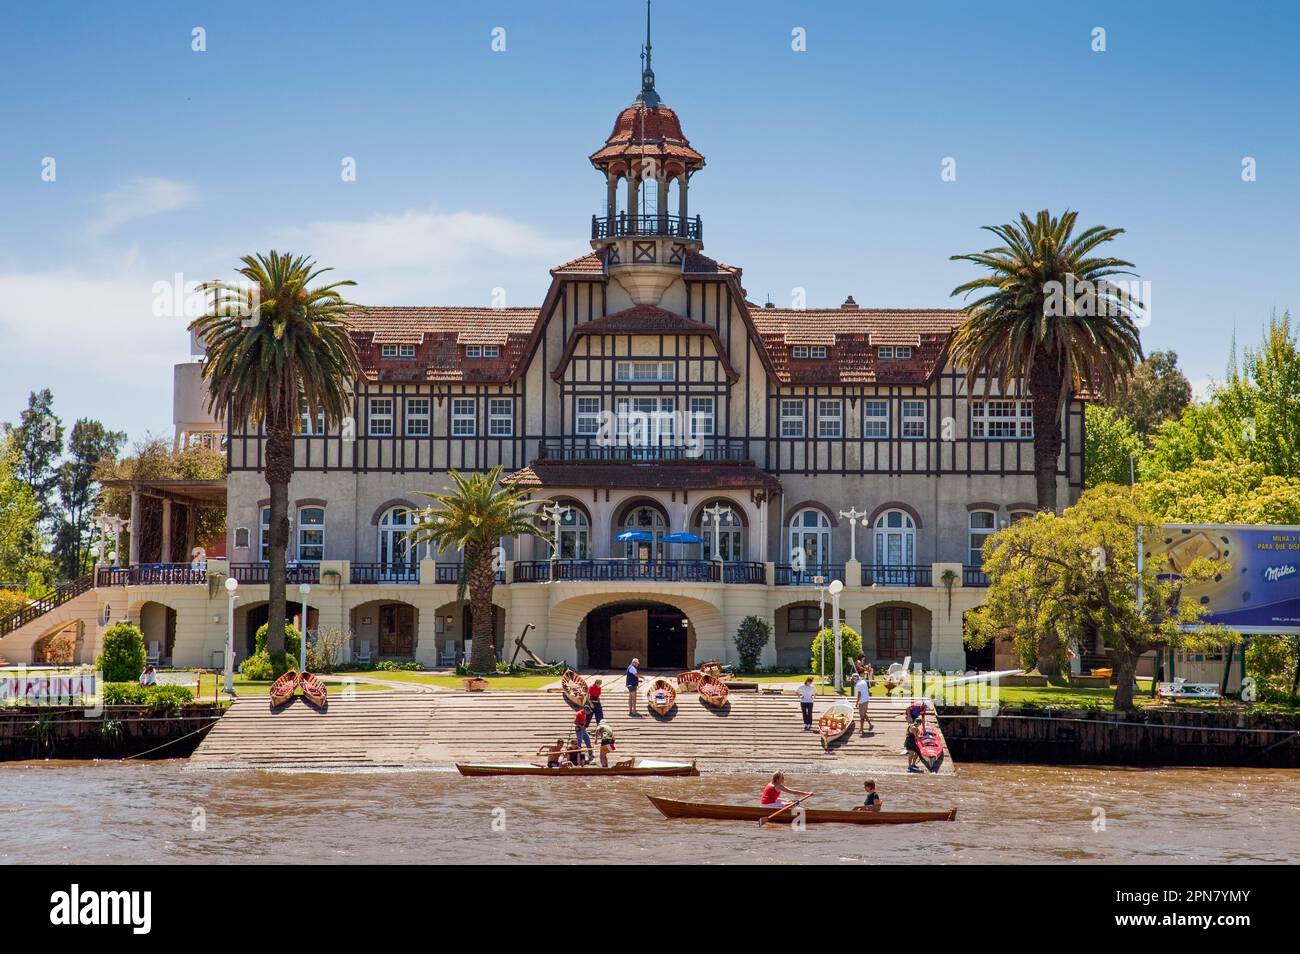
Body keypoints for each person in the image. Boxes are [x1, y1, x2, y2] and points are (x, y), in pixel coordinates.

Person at [854, 667, 875, 733]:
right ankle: (870, 725)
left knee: (861, 716)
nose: (853, 680)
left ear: (856, 678)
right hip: (866, 699)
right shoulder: (863, 681)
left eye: (853, 679)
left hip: (862, 701)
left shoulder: (858, 684)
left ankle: (861, 729)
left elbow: (859, 694)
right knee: (864, 714)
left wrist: (857, 702)